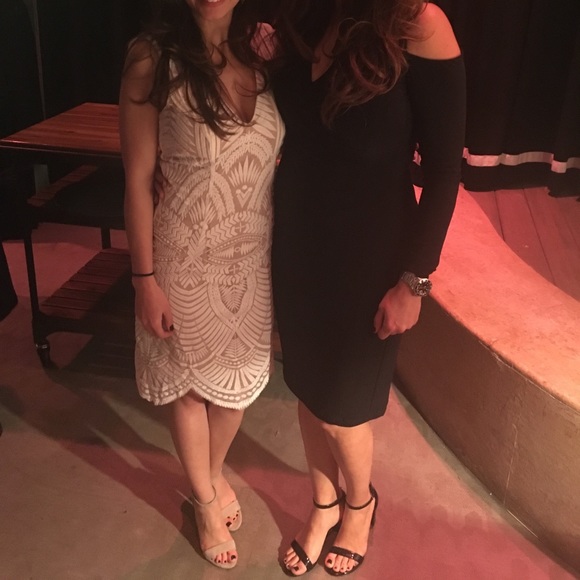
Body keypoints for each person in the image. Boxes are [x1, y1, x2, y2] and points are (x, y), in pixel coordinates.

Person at [267, 0, 466, 576]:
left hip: (371, 258)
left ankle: (360, 504)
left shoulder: (417, 24)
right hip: (299, 242)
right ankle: (323, 505)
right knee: (307, 389)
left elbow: (445, 172)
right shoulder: (304, 17)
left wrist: (415, 281)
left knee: (343, 410)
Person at [119, 0, 284, 570]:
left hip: (250, 259)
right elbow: (137, 180)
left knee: (238, 387)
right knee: (189, 391)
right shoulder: (151, 59)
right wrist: (144, 280)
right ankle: (207, 501)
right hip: (183, 259)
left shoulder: (264, 50)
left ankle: (206, 476)